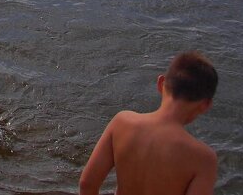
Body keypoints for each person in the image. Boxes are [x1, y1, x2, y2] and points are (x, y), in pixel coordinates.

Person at [79, 52, 219, 195]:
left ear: (161, 83)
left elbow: (87, 183)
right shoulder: (203, 158)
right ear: (205, 105)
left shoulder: (122, 122)